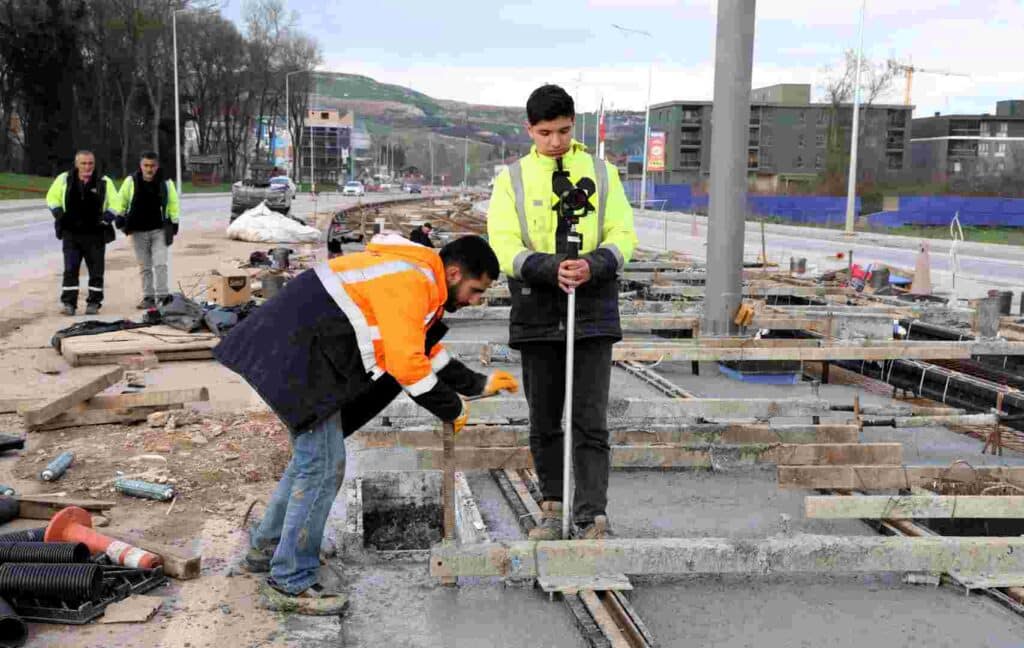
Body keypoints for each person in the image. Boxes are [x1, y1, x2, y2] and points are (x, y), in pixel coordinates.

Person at [213, 233, 519, 615]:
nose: (476, 300)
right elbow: (406, 364)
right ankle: (289, 581)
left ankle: (268, 548)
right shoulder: (412, 280)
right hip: (298, 354)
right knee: (323, 465)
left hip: (303, 352)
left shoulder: (422, 280)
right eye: (476, 290)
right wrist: (451, 408)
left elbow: (422, 347)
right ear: (455, 273)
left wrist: (479, 384)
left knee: (313, 461)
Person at [486, 84, 637, 540]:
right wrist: (547, 268)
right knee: (544, 418)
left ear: (575, 124)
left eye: (564, 131)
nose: (555, 141)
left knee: (590, 418)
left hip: (591, 311)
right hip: (538, 311)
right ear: (529, 129)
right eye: (546, 132)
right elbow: (503, 242)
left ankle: (592, 515)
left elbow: (622, 233)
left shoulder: (602, 172)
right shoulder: (510, 179)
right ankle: (552, 507)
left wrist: (594, 264)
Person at [46, 150, 123, 316]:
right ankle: (69, 303)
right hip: (71, 234)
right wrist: (60, 215)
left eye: (90, 163)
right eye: (83, 163)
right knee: (70, 269)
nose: (87, 167)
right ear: (76, 164)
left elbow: (117, 203)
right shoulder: (64, 179)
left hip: (95, 234)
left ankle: (94, 302)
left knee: (96, 270)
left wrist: (107, 218)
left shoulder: (104, 181)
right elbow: (51, 198)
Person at [117, 151, 181, 309]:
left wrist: (174, 222)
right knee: (145, 266)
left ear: (157, 166)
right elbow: (122, 200)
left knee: (160, 264)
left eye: (152, 166)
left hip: (159, 230)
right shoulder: (131, 181)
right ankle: (148, 297)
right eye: (146, 165)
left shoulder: (165, 182)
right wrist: (120, 216)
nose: (149, 169)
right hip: (138, 231)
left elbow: (173, 203)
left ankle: (163, 296)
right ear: (141, 166)